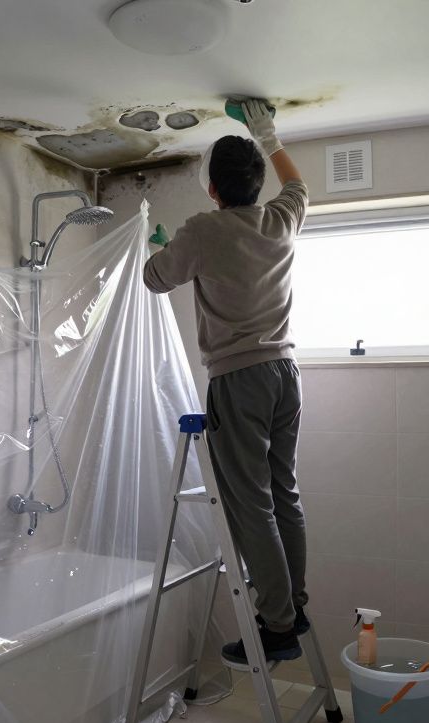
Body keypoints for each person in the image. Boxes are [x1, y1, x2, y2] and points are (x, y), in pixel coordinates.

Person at [142, 99, 309, 669]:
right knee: (282, 491)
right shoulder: (281, 218)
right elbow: (299, 185)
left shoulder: (203, 231)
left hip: (239, 379)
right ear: (256, 185)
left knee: (250, 503)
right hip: (287, 375)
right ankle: (295, 605)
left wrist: (156, 246)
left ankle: (279, 625)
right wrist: (267, 132)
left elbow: (154, 278)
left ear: (212, 189)